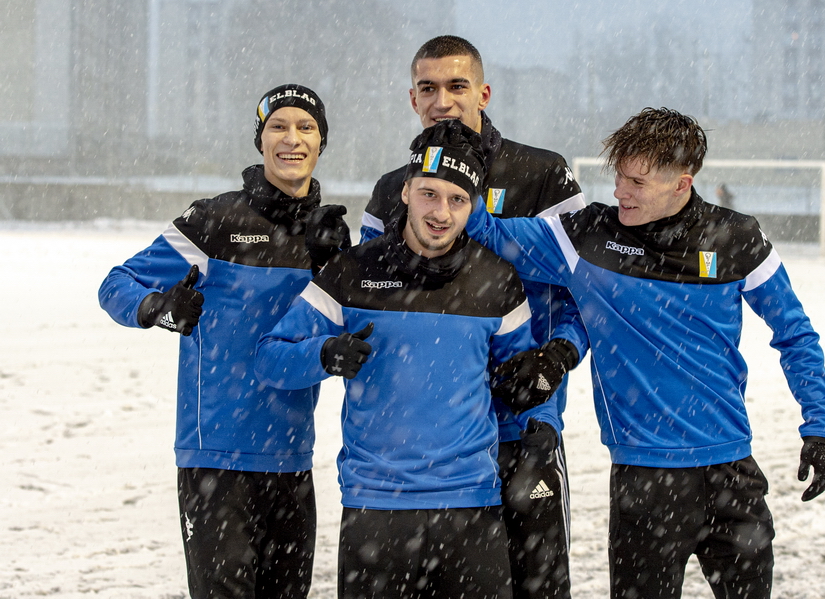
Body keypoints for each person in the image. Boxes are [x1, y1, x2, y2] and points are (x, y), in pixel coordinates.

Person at [465, 107, 825, 599]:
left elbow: (796, 334)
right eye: (619, 176)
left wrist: (819, 427)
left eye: (637, 182)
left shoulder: (737, 238)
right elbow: (484, 231)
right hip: (645, 483)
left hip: (732, 474)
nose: (621, 191)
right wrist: (455, 161)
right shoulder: (587, 237)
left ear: (682, 184)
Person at [255, 120, 576, 599]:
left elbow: (525, 384)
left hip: (472, 509)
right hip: (375, 512)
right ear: (405, 191)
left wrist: (540, 430)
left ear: (475, 206)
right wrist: (323, 353)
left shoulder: (498, 281)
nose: (441, 212)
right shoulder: (352, 271)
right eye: (429, 193)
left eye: (458, 199)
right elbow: (270, 358)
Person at [98, 84, 349, 599]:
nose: (292, 139)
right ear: (260, 139)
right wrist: (158, 309)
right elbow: (117, 283)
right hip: (215, 459)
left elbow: (339, 335)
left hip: (291, 458)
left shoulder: (328, 235)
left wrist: (332, 266)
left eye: (306, 128)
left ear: (322, 142)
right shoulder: (215, 220)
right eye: (278, 126)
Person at [360, 34, 588, 599]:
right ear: (412, 99)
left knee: (537, 589)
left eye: (457, 86)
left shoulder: (542, 175)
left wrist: (558, 356)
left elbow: (591, 292)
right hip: (429, 444)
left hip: (521, 427)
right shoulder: (394, 190)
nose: (444, 100)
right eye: (429, 88)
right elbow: (361, 296)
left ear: (483, 93)